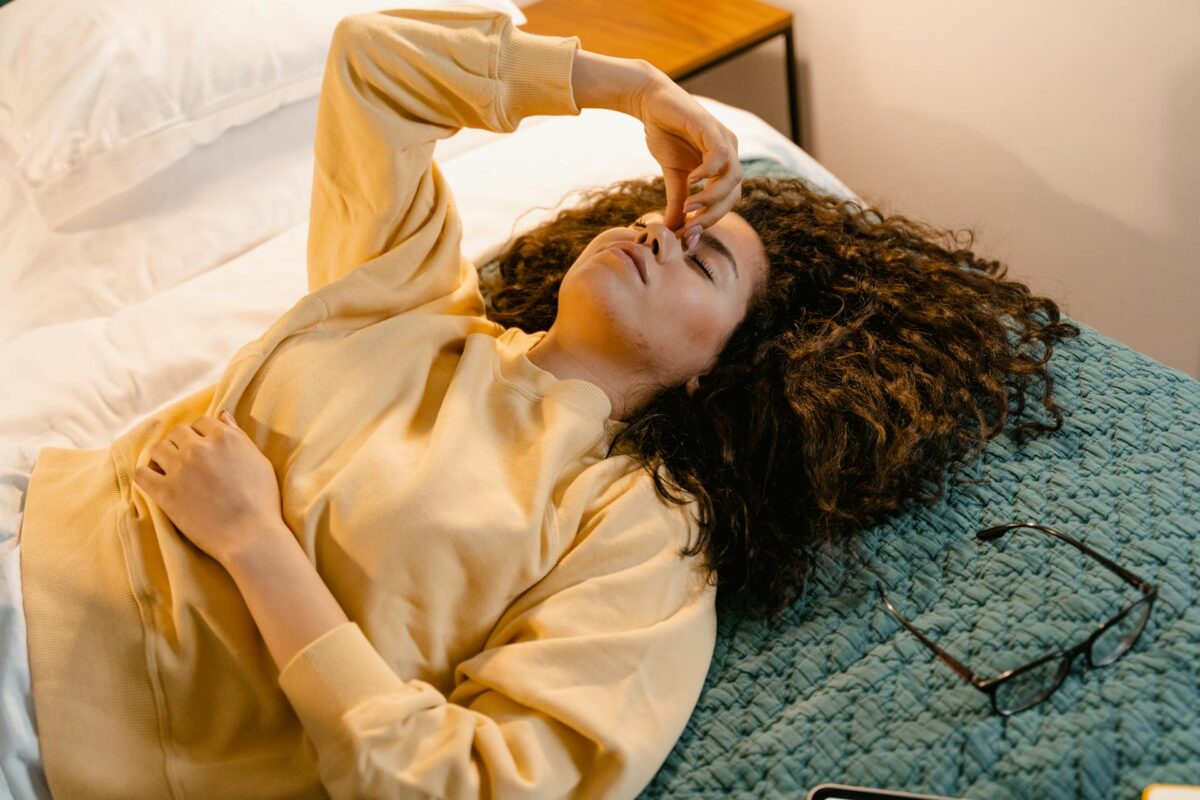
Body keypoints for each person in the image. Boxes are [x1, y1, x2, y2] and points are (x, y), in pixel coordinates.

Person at [3, 7, 1078, 800]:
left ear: (724, 371)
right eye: (667, 216)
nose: (662, 230)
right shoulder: (416, 300)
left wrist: (255, 544)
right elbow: (372, 64)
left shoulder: (637, 534)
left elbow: (471, 785)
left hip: (54, 727)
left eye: (704, 260)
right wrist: (634, 88)